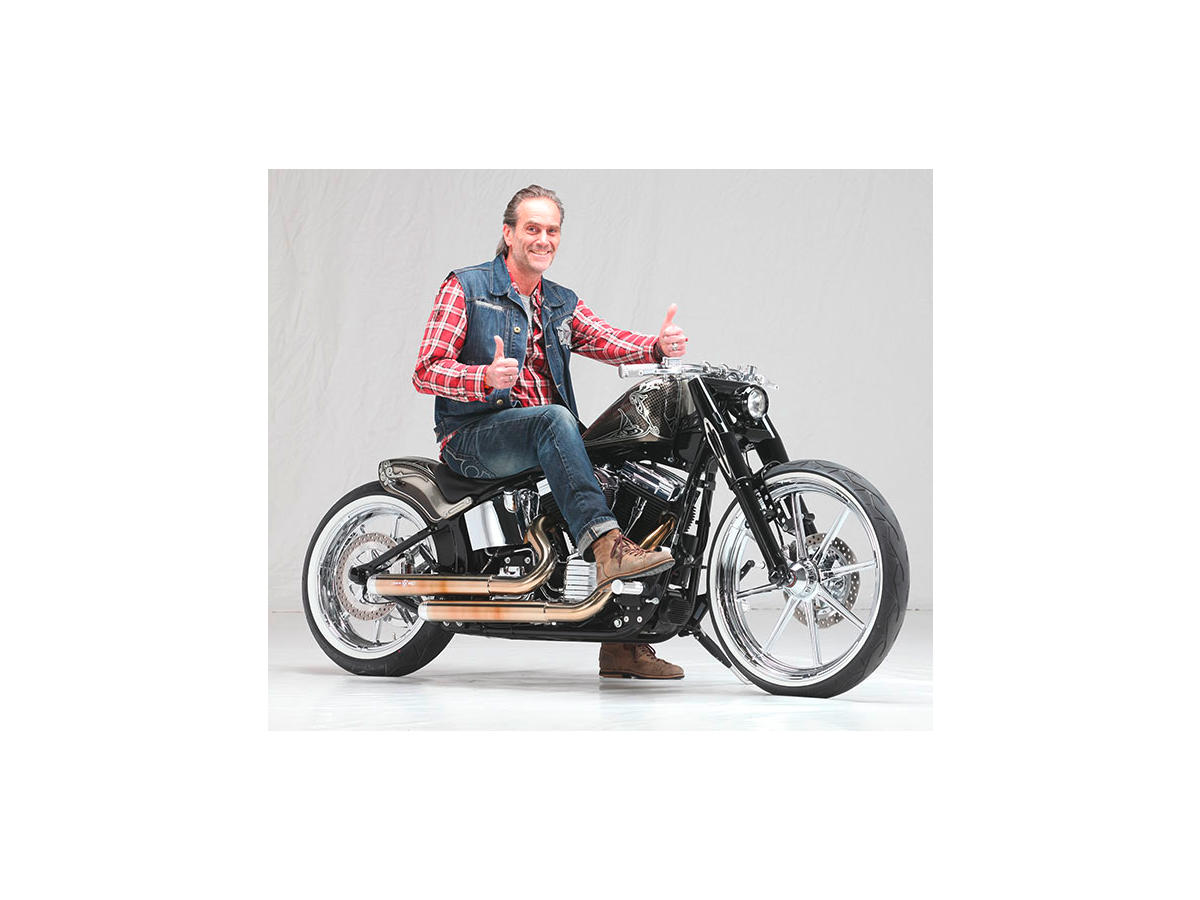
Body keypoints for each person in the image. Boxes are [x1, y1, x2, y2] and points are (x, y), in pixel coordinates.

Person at [412, 185, 690, 680]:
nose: (543, 239)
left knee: (628, 467)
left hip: (544, 435)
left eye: (552, 230)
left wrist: (656, 346)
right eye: (532, 228)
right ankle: (605, 548)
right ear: (509, 234)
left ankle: (622, 646)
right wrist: (483, 378)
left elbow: (605, 339)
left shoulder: (560, 301)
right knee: (555, 418)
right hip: (474, 435)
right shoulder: (466, 287)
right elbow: (426, 369)